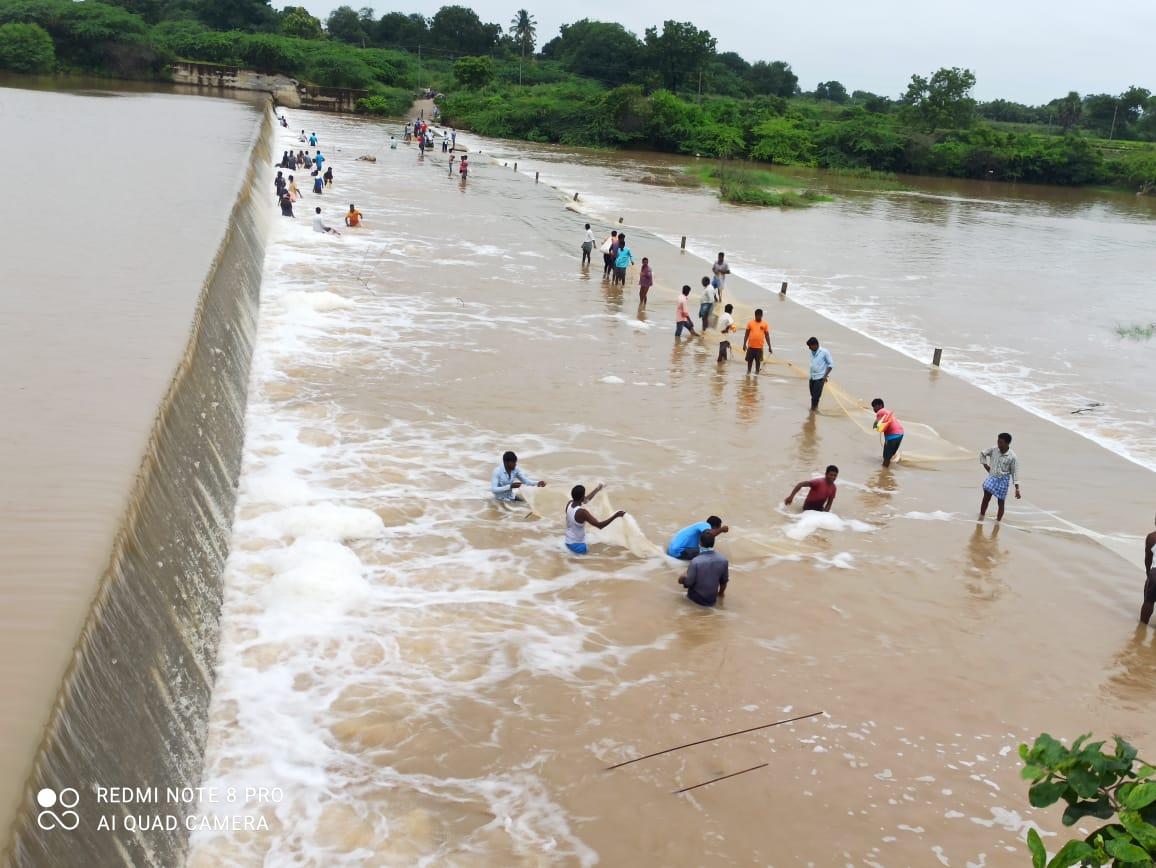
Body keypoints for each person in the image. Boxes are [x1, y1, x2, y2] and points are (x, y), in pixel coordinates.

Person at [565, 484, 625, 554]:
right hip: (578, 547)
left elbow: (585, 500)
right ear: (582, 497)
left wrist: (597, 489)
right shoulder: (582, 512)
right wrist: (616, 515)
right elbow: (599, 526)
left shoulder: (569, 504)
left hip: (568, 541)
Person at [678, 532, 729, 607]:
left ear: (700, 543)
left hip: (697, 599)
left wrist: (682, 579)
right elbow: (724, 581)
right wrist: (721, 594)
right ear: (713, 543)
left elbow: (688, 584)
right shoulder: (723, 560)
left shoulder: (696, 561)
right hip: (712, 599)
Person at [979, 433, 1021, 521]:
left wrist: (1017, 489)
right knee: (986, 495)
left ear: (1007, 443)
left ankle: (998, 522)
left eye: (1001, 442)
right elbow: (982, 453)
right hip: (992, 477)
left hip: (1003, 480)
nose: (998, 444)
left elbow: (1015, 473)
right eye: (998, 441)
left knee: (1001, 502)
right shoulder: (994, 450)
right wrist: (985, 465)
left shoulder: (1012, 457)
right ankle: (981, 516)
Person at [871, 399, 904, 467]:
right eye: (873, 407)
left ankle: (884, 474)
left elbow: (875, 425)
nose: (874, 408)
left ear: (881, 405)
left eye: (875, 406)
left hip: (892, 436)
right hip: (900, 434)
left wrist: (875, 425)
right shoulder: (887, 412)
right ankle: (888, 472)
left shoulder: (880, 411)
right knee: (890, 455)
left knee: (886, 458)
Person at [807, 338, 834, 411]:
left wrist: (825, 376)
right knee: (813, 396)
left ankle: (813, 411)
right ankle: (814, 408)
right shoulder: (812, 352)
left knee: (816, 396)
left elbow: (830, 365)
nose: (809, 348)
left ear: (815, 345)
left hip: (820, 378)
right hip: (812, 377)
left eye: (810, 346)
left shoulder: (824, 352)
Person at [742, 309, 771, 374]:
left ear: (761, 315)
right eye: (756, 316)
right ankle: (748, 374)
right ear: (755, 315)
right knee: (749, 362)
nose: (758, 317)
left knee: (758, 363)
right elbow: (746, 334)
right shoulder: (750, 323)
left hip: (759, 348)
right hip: (751, 347)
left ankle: (756, 375)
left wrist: (769, 346)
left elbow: (767, 336)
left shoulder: (765, 324)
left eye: (759, 316)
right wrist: (744, 344)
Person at [1142, 516, 1155, 625]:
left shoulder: (1152, 537)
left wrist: (1148, 574)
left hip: (1155, 574)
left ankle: (1141, 628)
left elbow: (1148, 559)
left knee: (1148, 601)